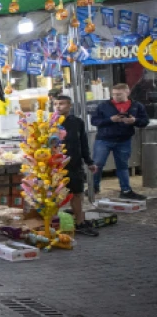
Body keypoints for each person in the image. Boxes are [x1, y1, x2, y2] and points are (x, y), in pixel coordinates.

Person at [91, 83, 149, 201]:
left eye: (119, 94)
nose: (115, 97)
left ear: (127, 93)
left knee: (122, 166)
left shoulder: (136, 106)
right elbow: (94, 121)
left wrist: (134, 121)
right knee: (97, 164)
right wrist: (110, 120)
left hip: (124, 140)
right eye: (114, 94)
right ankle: (94, 187)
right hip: (104, 139)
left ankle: (126, 190)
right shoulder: (103, 105)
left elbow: (144, 121)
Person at [54, 96, 98, 236]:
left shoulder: (77, 122)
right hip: (55, 165)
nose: (58, 106)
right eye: (55, 104)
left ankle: (79, 222)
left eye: (61, 103)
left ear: (69, 105)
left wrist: (89, 161)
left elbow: (83, 143)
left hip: (74, 164)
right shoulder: (50, 122)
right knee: (54, 195)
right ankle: (53, 223)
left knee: (77, 193)